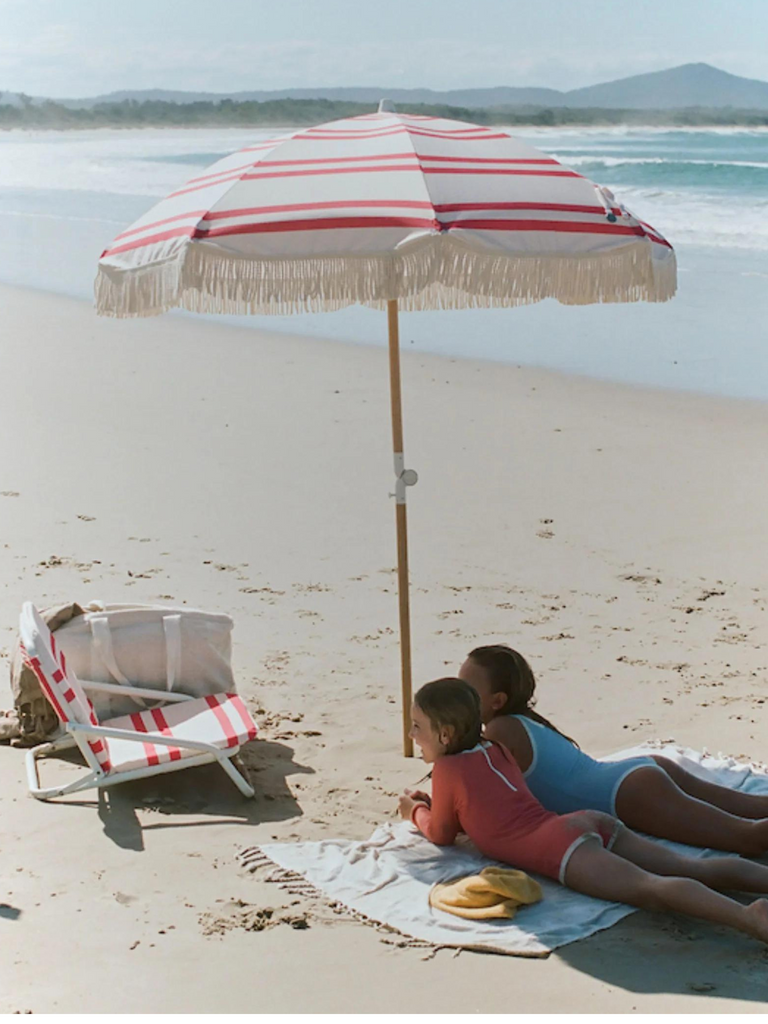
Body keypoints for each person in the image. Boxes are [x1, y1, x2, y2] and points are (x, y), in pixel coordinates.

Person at [398, 677, 768, 944]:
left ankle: (747, 918)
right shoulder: (496, 750)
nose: (413, 735)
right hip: (584, 822)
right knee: (692, 867)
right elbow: (491, 803)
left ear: (445, 735)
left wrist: (415, 811)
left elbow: (442, 833)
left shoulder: (447, 770)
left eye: (418, 727)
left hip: (561, 846)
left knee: (651, 889)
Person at [458, 644, 768, 856]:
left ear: (497, 700)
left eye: (466, 690)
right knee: (753, 808)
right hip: (637, 774)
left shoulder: (500, 731)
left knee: (748, 837)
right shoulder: (525, 721)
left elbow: (480, 797)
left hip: (629, 793)